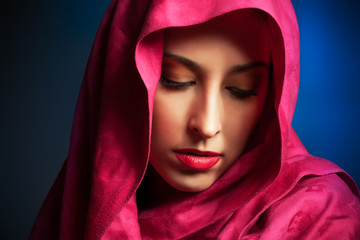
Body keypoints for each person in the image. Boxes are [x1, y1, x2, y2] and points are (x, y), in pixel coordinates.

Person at [30, 0, 360, 239]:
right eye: (176, 80)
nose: (206, 125)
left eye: (242, 90)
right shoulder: (78, 202)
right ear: (127, 81)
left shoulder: (322, 216)